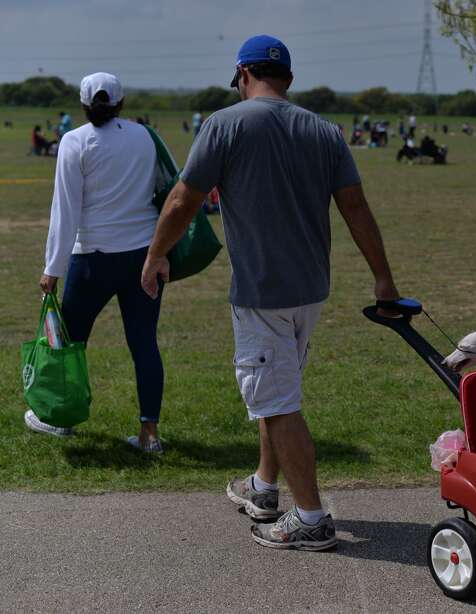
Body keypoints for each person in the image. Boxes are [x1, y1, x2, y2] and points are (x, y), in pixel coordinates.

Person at [140, 35, 401, 551]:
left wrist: (154, 256)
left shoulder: (224, 124)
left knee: (277, 403)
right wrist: (383, 277)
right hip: (311, 290)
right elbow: (356, 208)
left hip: (263, 291)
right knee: (277, 389)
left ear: (241, 75)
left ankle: (310, 518)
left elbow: (181, 201)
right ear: (289, 79)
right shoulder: (324, 130)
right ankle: (263, 488)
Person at [35, 72, 166, 451]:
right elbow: (162, 190)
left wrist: (52, 268)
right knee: (144, 344)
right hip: (142, 255)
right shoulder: (144, 136)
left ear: (82, 106)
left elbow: (65, 211)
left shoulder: (74, 141)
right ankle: (150, 433)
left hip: (91, 259)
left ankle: (60, 420)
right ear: (122, 104)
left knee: (70, 344)